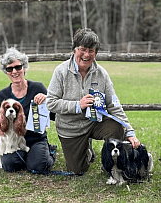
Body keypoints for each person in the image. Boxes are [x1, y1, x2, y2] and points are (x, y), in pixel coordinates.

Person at [46, 28, 140, 175]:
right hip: (70, 128)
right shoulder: (61, 71)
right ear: (74, 50)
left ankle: (109, 163)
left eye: (91, 50)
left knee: (116, 127)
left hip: (94, 123)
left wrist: (130, 132)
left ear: (96, 53)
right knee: (77, 171)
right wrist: (78, 105)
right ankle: (86, 150)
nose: (87, 55)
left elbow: (114, 106)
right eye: (82, 49)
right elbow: (50, 103)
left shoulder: (102, 74)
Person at [0, 47, 56, 173]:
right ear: (6, 72)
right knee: (9, 165)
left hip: (35, 139)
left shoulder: (38, 88)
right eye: (10, 69)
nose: (14, 71)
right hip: (15, 142)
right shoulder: (2, 95)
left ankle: (49, 151)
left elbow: (53, 115)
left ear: (24, 67)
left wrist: (47, 99)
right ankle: (29, 157)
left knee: (38, 166)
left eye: (18, 67)